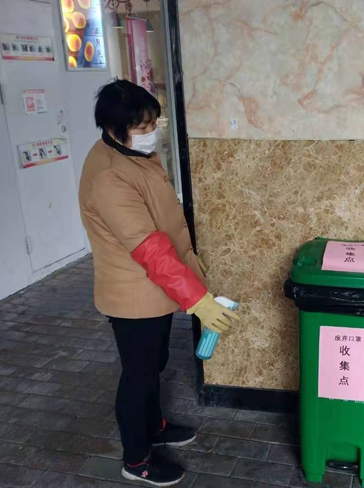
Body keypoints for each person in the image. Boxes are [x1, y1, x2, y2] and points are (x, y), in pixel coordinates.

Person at [78, 79, 240, 486]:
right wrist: (198, 300)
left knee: (153, 365)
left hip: (154, 290)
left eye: (154, 122)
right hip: (134, 295)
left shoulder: (131, 155)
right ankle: (136, 460)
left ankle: (154, 427)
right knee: (138, 376)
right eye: (143, 126)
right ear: (113, 129)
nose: (152, 131)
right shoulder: (109, 177)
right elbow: (150, 249)